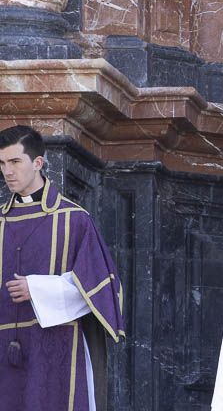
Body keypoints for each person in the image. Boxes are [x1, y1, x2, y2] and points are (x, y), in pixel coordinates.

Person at [0, 125, 124, 411]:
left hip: (56, 350)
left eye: (15, 162)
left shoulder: (75, 220)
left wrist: (38, 288)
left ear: (38, 163)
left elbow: (102, 287)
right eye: (3, 163)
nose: (7, 171)